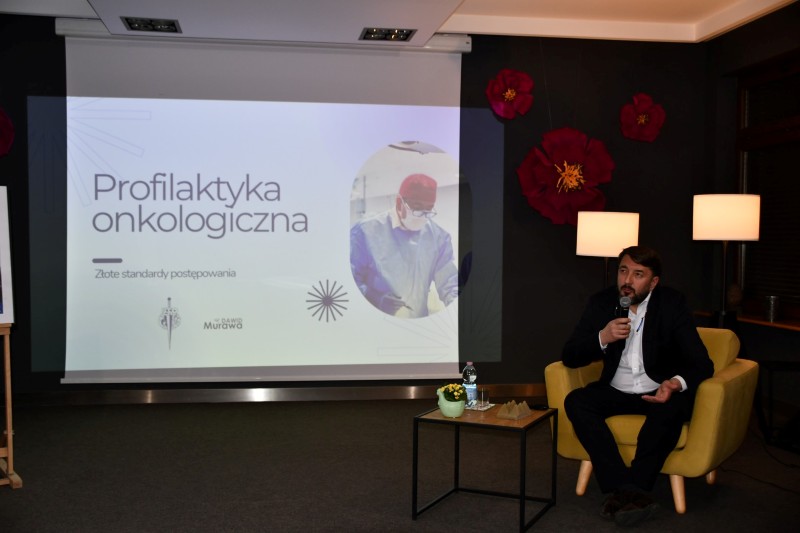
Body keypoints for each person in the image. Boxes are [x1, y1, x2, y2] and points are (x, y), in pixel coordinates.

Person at [562, 245, 714, 527]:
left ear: (653, 282)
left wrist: (674, 383)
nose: (627, 281)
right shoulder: (601, 303)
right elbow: (569, 356)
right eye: (623, 271)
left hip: (658, 389)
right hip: (615, 389)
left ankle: (629, 490)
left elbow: (702, 363)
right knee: (576, 402)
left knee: (669, 411)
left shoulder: (672, 304)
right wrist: (603, 337)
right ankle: (628, 490)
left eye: (638, 274)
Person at [350, 173, 459, 318]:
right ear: (399, 202)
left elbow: (449, 284)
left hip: (416, 324)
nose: (422, 215)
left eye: (428, 209)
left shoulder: (438, 237)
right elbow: (350, 278)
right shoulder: (365, 231)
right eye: (417, 207)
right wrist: (375, 298)